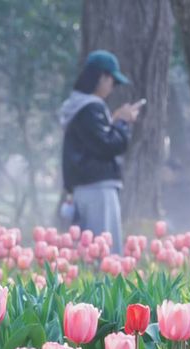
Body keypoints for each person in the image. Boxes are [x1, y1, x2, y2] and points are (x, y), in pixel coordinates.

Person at [59, 50, 143, 251]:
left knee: (91, 250)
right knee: (105, 251)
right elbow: (108, 145)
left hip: (83, 186)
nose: (112, 87)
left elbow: (91, 140)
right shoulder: (91, 108)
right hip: (98, 188)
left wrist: (112, 122)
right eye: (112, 81)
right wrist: (122, 123)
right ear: (101, 77)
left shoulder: (77, 106)